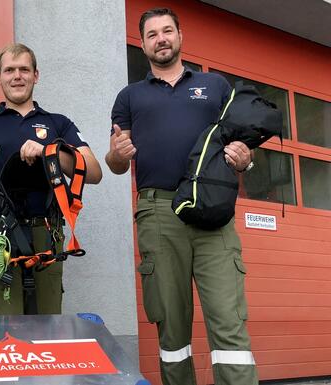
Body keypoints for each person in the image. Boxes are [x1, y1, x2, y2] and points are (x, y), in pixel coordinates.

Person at [105, 8, 257, 385]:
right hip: (157, 213)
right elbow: (115, 162)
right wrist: (117, 155)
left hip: (213, 211)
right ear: (142, 44)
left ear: (180, 36)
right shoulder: (129, 97)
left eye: (167, 30)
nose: (161, 39)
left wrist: (246, 159)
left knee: (229, 321)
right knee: (171, 329)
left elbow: (243, 144)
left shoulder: (217, 86)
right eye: (152, 34)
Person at [0, 43, 102, 315]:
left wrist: (48, 153)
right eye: (9, 70)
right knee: (0, 324)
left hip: (46, 231)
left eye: (24, 70)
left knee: (47, 320)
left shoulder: (58, 123)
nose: (17, 76)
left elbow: (94, 171)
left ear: (35, 75)